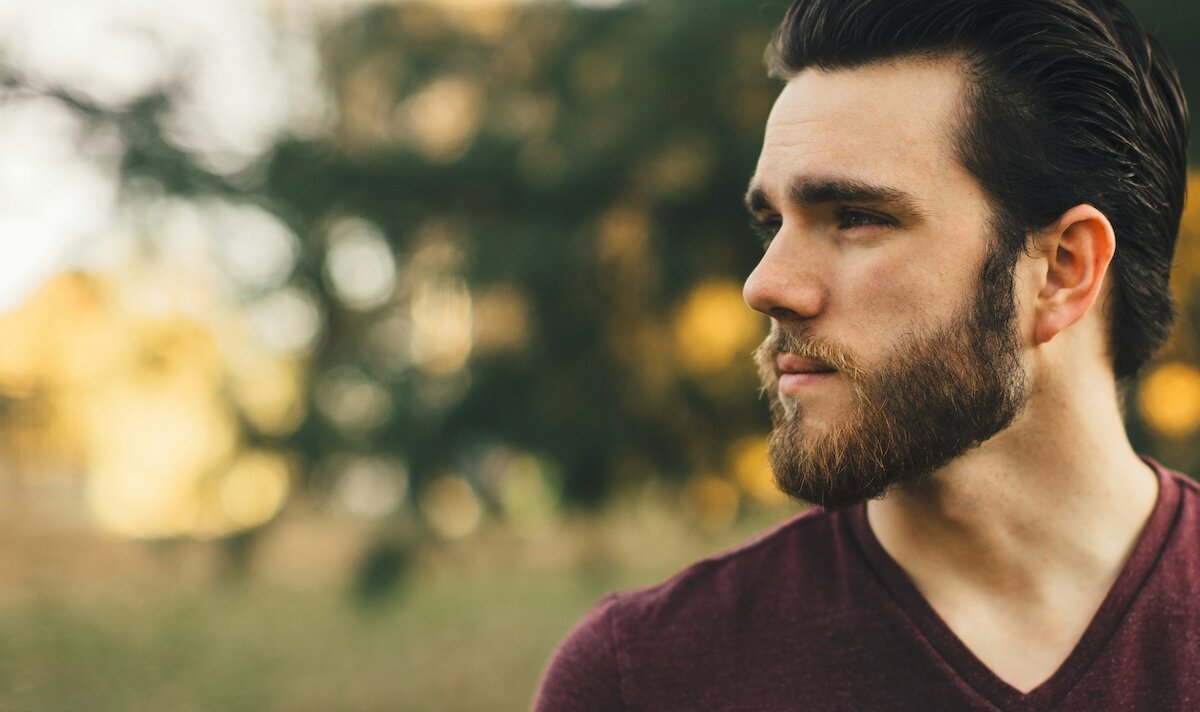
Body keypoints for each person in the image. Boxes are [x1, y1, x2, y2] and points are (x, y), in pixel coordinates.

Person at [534, 0, 1194, 709]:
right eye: (772, 223)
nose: (764, 286)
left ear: (1063, 269)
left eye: (856, 217)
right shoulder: (643, 679)